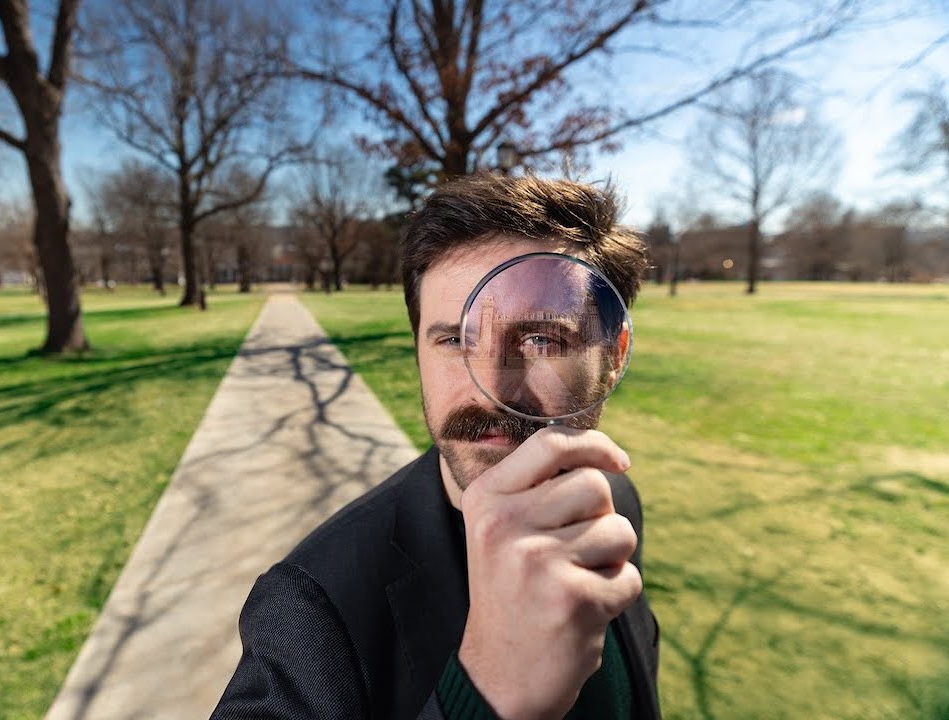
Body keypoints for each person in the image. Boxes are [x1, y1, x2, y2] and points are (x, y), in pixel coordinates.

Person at [211, 175, 659, 720]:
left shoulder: (614, 503)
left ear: (615, 353)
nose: (490, 389)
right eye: (454, 340)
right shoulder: (313, 609)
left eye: (541, 339)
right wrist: (484, 697)